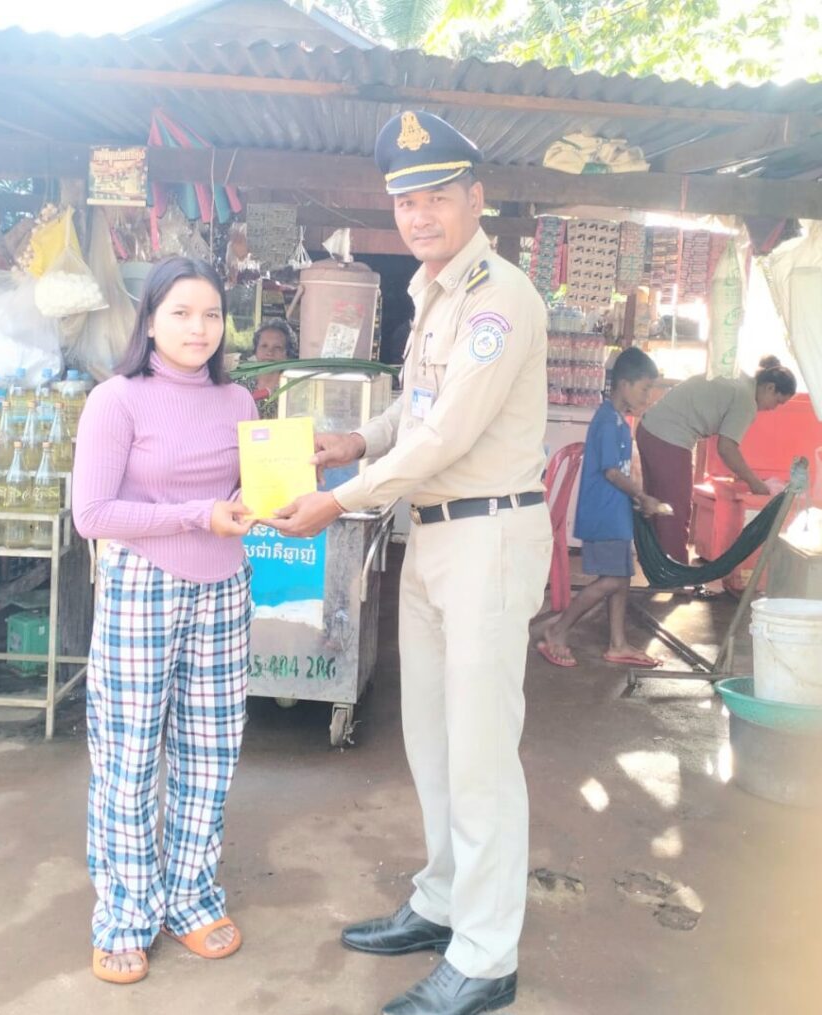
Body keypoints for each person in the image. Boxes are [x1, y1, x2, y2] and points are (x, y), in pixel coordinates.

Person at [272, 111, 553, 1015]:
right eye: (406, 201)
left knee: (481, 754)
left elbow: (448, 434)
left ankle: (486, 955)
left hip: (487, 538)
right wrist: (355, 440)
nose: (420, 215)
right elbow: (415, 408)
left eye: (437, 196)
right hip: (433, 535)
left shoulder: (499, 298)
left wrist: (340, 498)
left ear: (476, 198)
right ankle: (443, 900)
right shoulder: (433, 289)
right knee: (432, 740)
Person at [72, 256, 258, 985]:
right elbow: (93, 514)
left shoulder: (238, 400)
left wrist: (278, 494)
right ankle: (124, 913)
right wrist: (197, 515)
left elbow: (245, 492)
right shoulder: (116, 400)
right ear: (149, 321)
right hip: (143, 586)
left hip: (225, 588)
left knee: (210, 751)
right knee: (129, 757)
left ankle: (190, 896)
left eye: (211, 314)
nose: (198, 328)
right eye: (181, 313)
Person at [536, 347, 663, 668]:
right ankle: (558, 630)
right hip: (603, 515)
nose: (648, 396)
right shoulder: (608, 421)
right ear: (624, 384)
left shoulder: (619, 421)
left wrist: (635, 498)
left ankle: (618, 644)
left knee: (621, 577)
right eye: (645, 388)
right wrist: (642, 496)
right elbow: (611, 472)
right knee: (613, 580)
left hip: (615, 514)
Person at [636, 355, 796, 564]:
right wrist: (755, 482)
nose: (774, 408)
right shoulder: (746, 400)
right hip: (669, 438)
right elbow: (726, 448)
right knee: (674, 513)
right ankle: (672, 575)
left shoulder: (739, 378)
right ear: (770, 388)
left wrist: (746, 475)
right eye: (777, 402)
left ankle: (655, 567)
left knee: (656, 507)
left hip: (649, 429)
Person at [239, 319, 298, 417]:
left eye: (277, 347)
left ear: (287, 354)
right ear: (256, 351)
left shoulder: (293, 391)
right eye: (264, 346)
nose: (269, 352)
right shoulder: (240, 387)